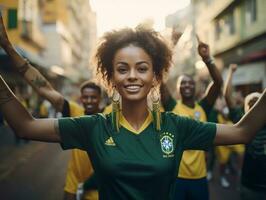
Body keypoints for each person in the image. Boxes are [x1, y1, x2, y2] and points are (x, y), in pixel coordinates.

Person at [0, 13, 266, 199]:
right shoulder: (94, 126)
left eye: (142, 68)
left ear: (155, 76)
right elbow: (24, 126)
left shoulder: (177, 126)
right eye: (122, 69)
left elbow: (242, 132)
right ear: (111, 77)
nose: (132, 76)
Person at [0, 14, 101, 200]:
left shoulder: (108, 120)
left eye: (93, 97)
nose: (88, 101)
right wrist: (8, 47)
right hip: (72, 183)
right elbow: (44, 88)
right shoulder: (76, 113)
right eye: (85, 97)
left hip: (98, 190)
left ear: (100, 99)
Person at [161, 36, 223, 200]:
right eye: (183, 83)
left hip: (199, 178)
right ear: (178, 88)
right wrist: (170, 46)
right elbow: (159, 79)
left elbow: (218, 82)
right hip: (177, 177)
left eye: (190, 83)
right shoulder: (172, 106)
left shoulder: (203, 107)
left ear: (195, 88)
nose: (187, 85)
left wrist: (207, 59)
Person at [240, 92, 266, 200]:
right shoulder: (243, 126)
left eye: (257, 104)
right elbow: (228, 97)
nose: (254, 108)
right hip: (249, 186)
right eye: (251, 104)